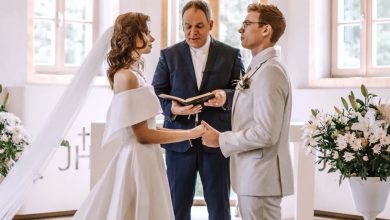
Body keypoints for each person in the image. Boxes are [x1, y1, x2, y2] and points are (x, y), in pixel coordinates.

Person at [72, 12, 205, 220]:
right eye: (146, 32)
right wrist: (190, 133)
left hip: (147, 157)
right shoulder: (126, 77)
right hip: (136, 159)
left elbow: (149, 127)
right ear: (132, 36)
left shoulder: (135, 73)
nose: (151, 38)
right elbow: (143, 134)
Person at [152, 1, 244, 219]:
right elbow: (157, 90)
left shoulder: (231, 54)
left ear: (210, 24)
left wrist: (224, 97)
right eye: (187, 26)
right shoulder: (168, 55)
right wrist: (172, 109)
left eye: (199, 26)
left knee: (220, 208)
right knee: (176, 208)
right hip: (179, 143)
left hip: (216, 140)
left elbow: (242, 92)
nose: (193, 32)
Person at [201, 3, 294, 220]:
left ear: (265, 30)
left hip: (261, 179)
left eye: (246, 24)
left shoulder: (270, 71)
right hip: (252, 178)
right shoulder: (258, 68)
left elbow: (266, 133)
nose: (240, 29)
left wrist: (221, 139)